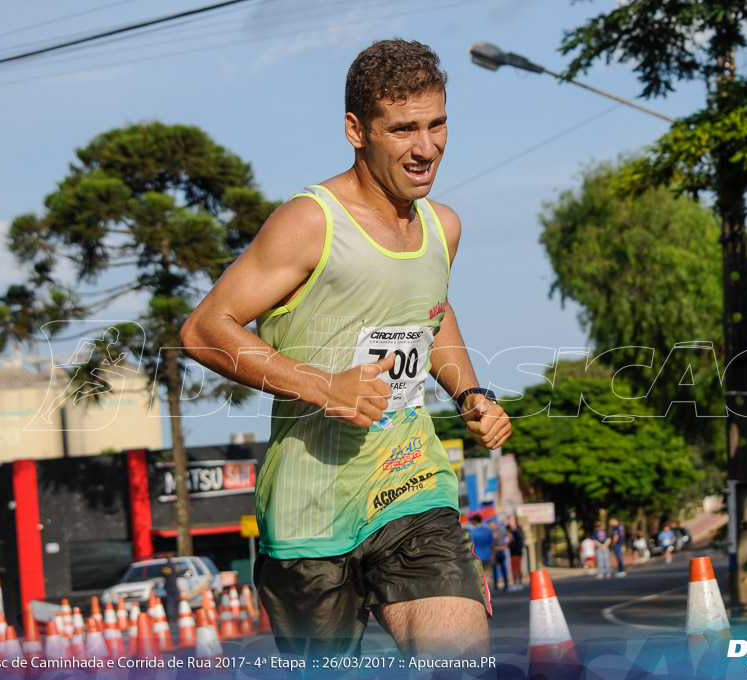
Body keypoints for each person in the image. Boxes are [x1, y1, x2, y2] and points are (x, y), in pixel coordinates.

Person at [181, 38, 511, 659]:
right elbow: (205, 329)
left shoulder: (443, 226)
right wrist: (323, 386)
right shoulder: (311, 221)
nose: (426, 147)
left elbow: (431, 315)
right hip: (310, 509)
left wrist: (468, 392)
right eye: (404, 129)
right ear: (356, 130)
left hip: (411, 484)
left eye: (437, 123)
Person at [489, 520, 510, 592]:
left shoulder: (493, 531)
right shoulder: (496, 531)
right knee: (497, 569)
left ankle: (504, 585)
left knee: (500, 568)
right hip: (498, 551)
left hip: (497, 552)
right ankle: (498, 585)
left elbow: (510, 536)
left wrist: (506, 545)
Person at [506, 516, 525, 591]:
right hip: (517, 553)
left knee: (515, 569)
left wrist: (509, 541)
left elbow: (512, 545)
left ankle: (517, 583)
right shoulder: (518, 532)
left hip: (515, 553)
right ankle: (518, 583)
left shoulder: (514, 534)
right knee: (517, 568)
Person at [161, 557, 180, 624]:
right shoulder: (173, 566)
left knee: (169, 602)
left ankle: (170, 617)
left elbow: (163, 575)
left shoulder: (164, 567)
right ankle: (175, 617)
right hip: (173, 586)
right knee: (176, 602)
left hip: (167, 586)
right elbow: (176, 574)